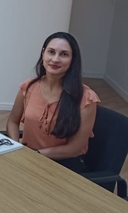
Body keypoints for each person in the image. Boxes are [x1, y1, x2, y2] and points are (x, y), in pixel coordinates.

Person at [6, 32, 100, 173]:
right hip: (27, 158)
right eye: (51, 52)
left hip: (63, 165)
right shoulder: (28, 87)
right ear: (43, 53)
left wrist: (35, 155)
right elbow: (12, 122)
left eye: (64, 54)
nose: (55, 59)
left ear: (73, 60)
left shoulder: (86, 98)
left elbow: (74, 149)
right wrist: (15, 146)